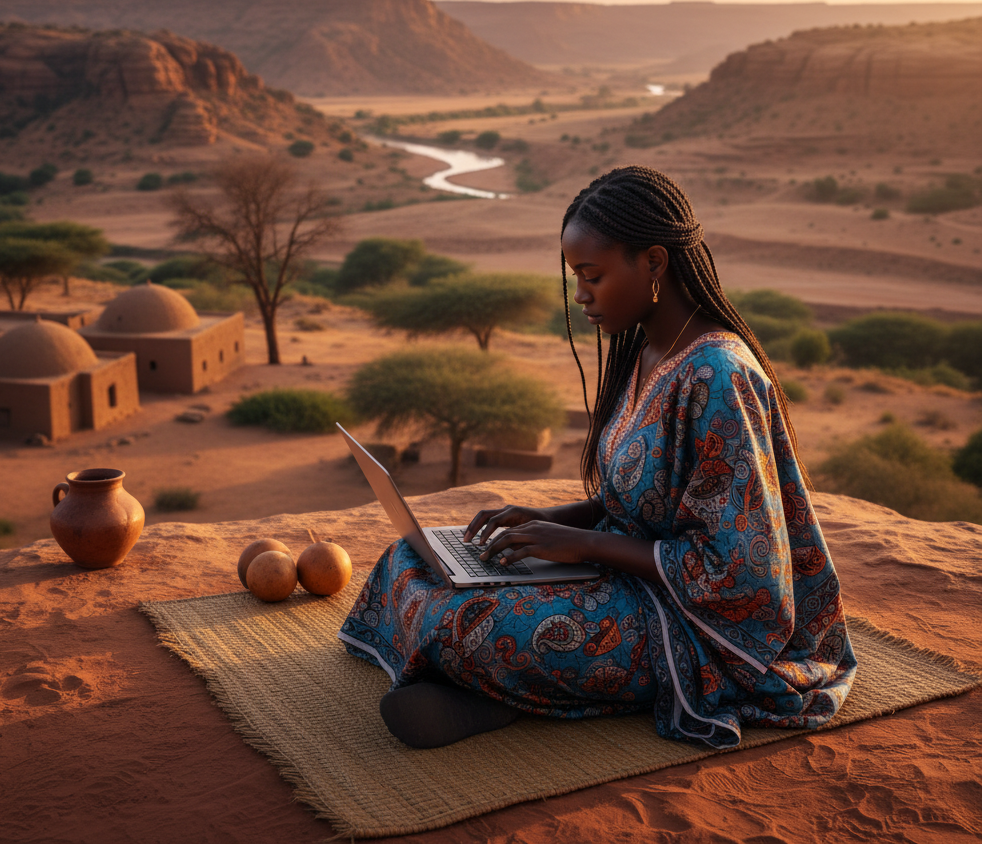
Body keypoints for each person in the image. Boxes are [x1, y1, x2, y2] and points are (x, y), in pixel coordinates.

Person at [339, 165, 857, 750]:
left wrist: (585, 546)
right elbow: (636, 504)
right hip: (618, 571)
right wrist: (550, 519)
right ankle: (488, 688)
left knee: (469, 624)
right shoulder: (645, 348)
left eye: (592, 275)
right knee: (410, 563)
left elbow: (740, 577)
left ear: (654, 263)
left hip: (696, 627)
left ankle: (491, 695)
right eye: (575, 278)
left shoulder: (718, 377)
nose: (580, 295)